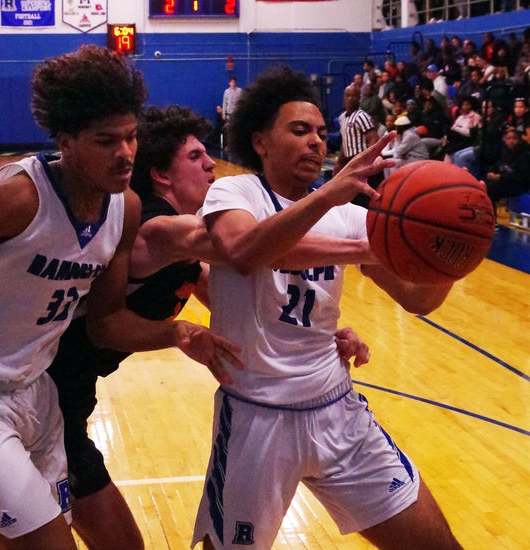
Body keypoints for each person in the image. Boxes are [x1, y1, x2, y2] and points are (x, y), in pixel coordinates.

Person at [0, 103, 369, 550]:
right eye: (196, 158)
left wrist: (324, 336)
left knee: (23, 530)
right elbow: (237, 248)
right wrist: (364, 236)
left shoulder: (128, 220)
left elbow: (250, 306)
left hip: (41, 394)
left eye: (130, 137)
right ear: (163, 177)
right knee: (58, 537)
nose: (212, 165)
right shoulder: (158, 228)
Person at [0, 45, 244, 550]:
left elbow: (105, 324)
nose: (126, 153)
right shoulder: (21, 198)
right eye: (106, 140)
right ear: (66, 141)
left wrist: (179, 332)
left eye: (132, 137)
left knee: (32, 534)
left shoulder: (124, 208)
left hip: (36, 394)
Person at [191, 65, 462, 550]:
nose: (316, 141)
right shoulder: (234, 193)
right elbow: (245, 252)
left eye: (321, 132)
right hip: (258, 417)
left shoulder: (348, 215)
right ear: (260, 142)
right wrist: (332, 195)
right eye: (299, 130)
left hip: (338, 411)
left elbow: (418, 298)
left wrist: (451, 255)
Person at [334, 84, 381, 207]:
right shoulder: (342, 117)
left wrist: (368, 161)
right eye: (347, 95)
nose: (350, 98)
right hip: (349, 160)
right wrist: (339, 163)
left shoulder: (361, 116)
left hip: (362, 159)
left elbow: (374, 138)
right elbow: (345, 142)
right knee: (352, 198)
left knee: (365, 199)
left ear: (359, 99)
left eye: (353, 96)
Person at [485, 126, 530, 205]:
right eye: (508, 139)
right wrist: (491, 172)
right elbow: (498, 165)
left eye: (514, 138)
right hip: (505, 180)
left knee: (493, 187)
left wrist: (500, 177)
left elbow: (521, 176)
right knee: (485, 182)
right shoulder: (506, 152)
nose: (511, 141)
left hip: (519, 184)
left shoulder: (524, 155)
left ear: (520, 140)